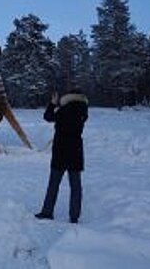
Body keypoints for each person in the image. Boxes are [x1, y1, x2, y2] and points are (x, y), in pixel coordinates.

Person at [35, 88, 88, 223]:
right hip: (76, 150)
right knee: (75, 185)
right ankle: (74, 216)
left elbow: (48, 117)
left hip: (61, 150)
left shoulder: (64, 110)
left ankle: (47, 211)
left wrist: (52, 104)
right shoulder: (83, 110)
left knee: (54, 183)